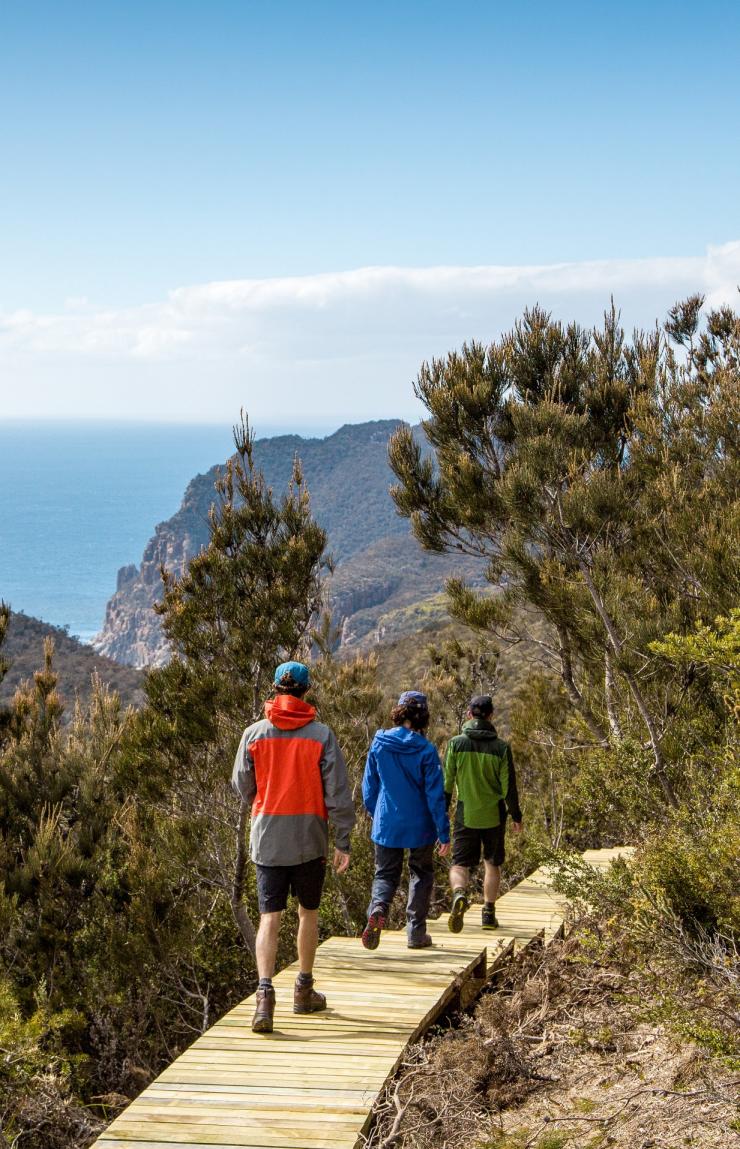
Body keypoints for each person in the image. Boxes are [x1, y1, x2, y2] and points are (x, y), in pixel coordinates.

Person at [232, 660, 355, 1033]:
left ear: (274, 688)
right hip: (309, 838)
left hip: (268, 836)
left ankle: (264, 996)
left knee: (270, 916)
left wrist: (265, 798)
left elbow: (242, 784)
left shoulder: (254, 734)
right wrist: (344, 839)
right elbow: (337, 792)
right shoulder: (321, 735)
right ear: (306, 691)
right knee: (308, 912)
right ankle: (303, 989)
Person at [361, 690, 450, 950]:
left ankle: (378, 908)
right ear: (423, 717)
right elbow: (435, 797)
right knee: (421, 873)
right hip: (420, 824)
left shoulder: (379, 743)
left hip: (387, 821)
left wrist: (375, 812)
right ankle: (415, 933)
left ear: (399, 712)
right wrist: (443, 833)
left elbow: (369, 787)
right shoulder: (426, 750)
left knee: (385, 874)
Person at [443, 694, 522, 932]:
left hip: (466, 813)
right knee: (492, 864)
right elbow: (509, 786)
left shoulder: (456, 744)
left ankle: (459, 893)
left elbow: (447, 783)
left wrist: (442, 814)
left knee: (459, 864)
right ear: (491, 716)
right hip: (494, 815)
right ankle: (488, 913)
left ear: (469, 714)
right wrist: (516, 816)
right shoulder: (501, 748)